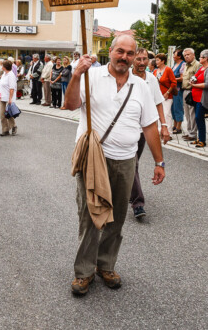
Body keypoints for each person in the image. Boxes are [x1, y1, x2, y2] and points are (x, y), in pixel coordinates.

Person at [64, 36, 165, 295]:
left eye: (130, 53)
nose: (125, 57)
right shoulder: (91, 76)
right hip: (93, 159)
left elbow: (150, 126)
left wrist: (159, 161)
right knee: (89, 218)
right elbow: (71, 105)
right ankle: (84, 272)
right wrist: (76, 75)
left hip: (126, 160)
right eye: (120, 51)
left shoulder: (141, 85)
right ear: (110, 51)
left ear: (135, 57)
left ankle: (105, 265)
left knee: (116, 218)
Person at [130, 48, 170, 218]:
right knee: (132, 164)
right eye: (138, 59)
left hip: (144, 130)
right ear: (132, 59)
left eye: (145, 59)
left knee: (133, 163)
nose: (141, 62)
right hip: (126, 129)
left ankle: (126, 189)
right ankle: (138, 203)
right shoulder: (125, 77)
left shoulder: (152, 79)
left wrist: (164, 125)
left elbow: (158, 103)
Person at [154, 53, 177, 137]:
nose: (156, 62)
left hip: (166, 96)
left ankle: (169, 133)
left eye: (157, 60)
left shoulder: (168, 69)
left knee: (166, 113)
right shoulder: (156, 71)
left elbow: (174, 82)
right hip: (158, 96)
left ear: (163, 61)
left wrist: (168, 92)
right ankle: (161, 131)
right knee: (159, 114)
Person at [189, 49, 208, 148]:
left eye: (201, 57)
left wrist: (195, 86)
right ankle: (199, 138)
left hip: (202, 98)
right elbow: (194, 77)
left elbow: (207, 84)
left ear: (206, 58)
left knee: (199, 117)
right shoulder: (201, 68)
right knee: (197, 118)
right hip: (195, 97)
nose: (199, 58)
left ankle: (202, 140)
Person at [181, 48, 200, 141]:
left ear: (193, 55)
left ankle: (193, 134)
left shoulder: (197, 65)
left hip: (192, 91)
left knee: (192, 113)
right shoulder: (186, 65)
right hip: (185, 90)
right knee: (187, 113)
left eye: (188, 54)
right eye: (185, 55)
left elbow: (198, 78)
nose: (186, 56)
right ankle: (189, 132)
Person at [0, 60, 17, 136]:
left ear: (4, 67)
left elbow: (12, 88)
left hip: (8, 97)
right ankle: (5, 130)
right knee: (2, 115)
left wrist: (10, 99)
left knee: (8, 114)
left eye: (2, 65)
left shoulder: (11, 75)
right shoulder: (4, 74)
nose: (1, 66)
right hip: (2, 97)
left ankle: (13, 126)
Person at [171, 49, 185, 134]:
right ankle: (175, 124)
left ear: (179, 56)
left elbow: (182, 78)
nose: (173, 56)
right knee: (173, 108)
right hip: (173, 89)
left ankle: (179, 127)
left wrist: (172, 79)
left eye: (174, 54)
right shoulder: (175, 64)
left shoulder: (183, 64)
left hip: (179, 90)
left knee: (178, 107)